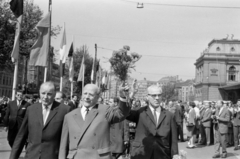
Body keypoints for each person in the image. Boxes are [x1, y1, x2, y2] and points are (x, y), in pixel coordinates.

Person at [58, 83, 132, 159]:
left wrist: (122, 97)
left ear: (97, 97)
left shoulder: (105, 110)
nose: (87, 97)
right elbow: (63, 145)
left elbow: (121, 113)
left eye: (91, 95)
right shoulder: (69, 116)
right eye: (85, 93)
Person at [9, 81, 70, 159]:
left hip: (53, 156)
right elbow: (21, 136)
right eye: (43, 93)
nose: (45, 97)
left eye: (49, 94)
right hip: (32, 156)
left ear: (54, 94)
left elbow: (68, 138)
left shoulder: (64, 110)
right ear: (39, 93)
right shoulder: (31, 109)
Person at [126, 85, 178, 159]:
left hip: (162, 154)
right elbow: (125, 113)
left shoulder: (170, 115)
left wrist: (175, 154)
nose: (157, 98)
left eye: (159, 95)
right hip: (142, 154)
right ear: (148, 97)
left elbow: (173, 139)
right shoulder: (140, 112)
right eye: (154, 95)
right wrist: (131, 96)